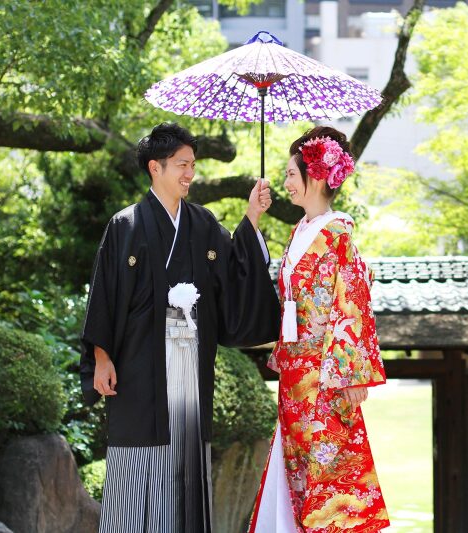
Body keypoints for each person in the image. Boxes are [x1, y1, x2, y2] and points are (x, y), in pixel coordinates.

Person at [79, 122, 281, 533]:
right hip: (138, 363)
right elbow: (105, 294)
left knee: (185, 455)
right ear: (156, 168)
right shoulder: (126, 225)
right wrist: (101, 357)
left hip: (189, 362)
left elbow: (235, 273)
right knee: (136, 454)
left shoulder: (204, 224)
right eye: (182, 165)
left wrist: (252, 217)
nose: (190, 173)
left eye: (192, 165)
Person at [248, 127, 389, 532]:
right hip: (296, 372)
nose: (286, 182)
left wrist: (351, 374)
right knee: (298, 466)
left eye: (292, 174)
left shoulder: (338, 232)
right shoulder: (300, 231)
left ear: (316, 177)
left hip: (327, 374)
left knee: (329, 470)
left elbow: (352, 299)